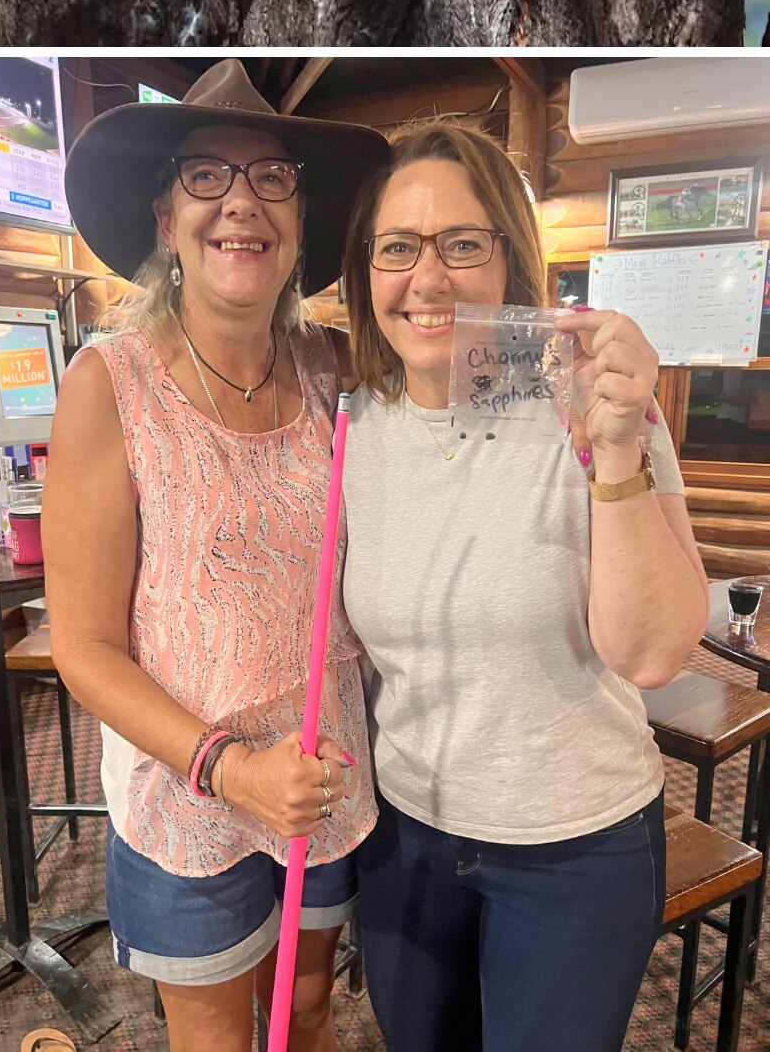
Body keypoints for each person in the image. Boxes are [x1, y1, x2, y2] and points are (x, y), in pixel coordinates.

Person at [338, 120, 709, 1052]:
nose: (427, 277)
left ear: (512, 260)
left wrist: (616, 444)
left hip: (574, 849)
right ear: (364, 271)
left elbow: (655, 652)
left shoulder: (589, 404)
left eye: (462, 243)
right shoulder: (350, 428)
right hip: (406, 835)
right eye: (397, 247)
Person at [46, 61, 390, 1052]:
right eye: (205, 175)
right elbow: (82, 646)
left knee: (310, 1013)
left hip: (321, 780)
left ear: (296, 218)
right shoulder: (105, 385)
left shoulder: (336, 369)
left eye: (269, 178)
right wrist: (228, 769)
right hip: (184, 797)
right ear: (163, 216)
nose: (239, 201)